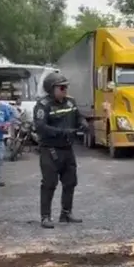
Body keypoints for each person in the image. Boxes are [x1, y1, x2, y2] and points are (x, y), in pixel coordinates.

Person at [33, 72, 88, 229]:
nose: (65, 90)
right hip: (50, 149)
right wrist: (62, 131)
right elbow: (40, 127)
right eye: (61, 87)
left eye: (66, 87)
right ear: (51, 89)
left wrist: (83, 122)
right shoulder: (43, 105)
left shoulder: (70, 102)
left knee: (70, 182)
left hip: (67, 149)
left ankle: (66, 213)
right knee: (49, 183)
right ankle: (45, 217)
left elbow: (79, 116)